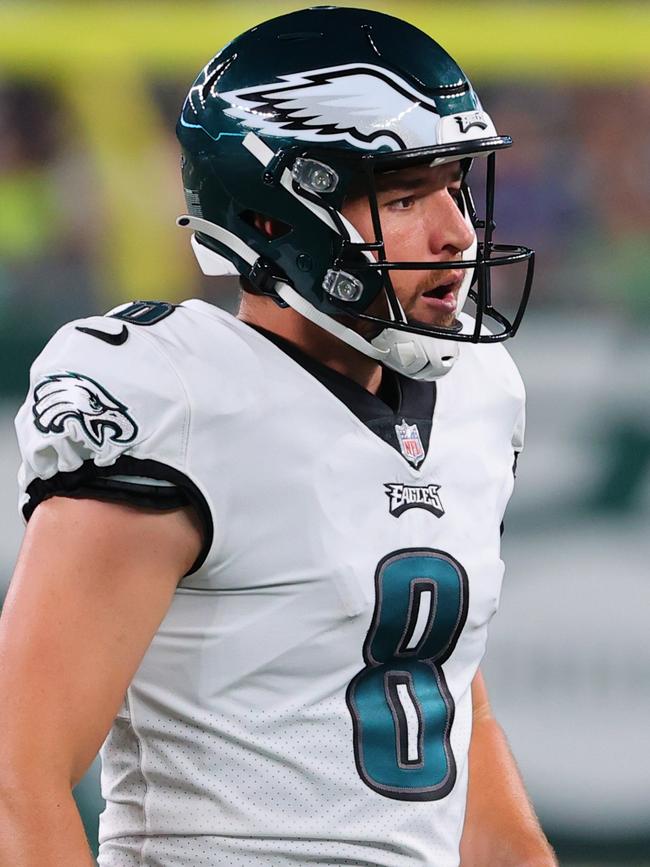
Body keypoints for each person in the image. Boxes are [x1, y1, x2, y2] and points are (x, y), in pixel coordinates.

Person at [0, 7, 555, 866]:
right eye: (405, 196)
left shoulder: (478, 393)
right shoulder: (179, 399)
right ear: (271, 218)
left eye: (453, 184)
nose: (457, 232)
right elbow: (17, 779)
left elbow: (434, 681)